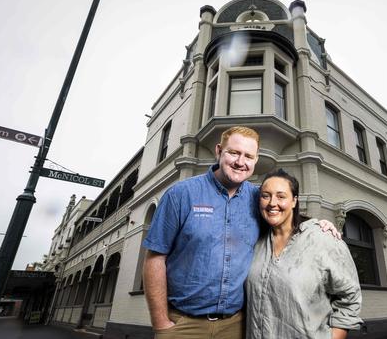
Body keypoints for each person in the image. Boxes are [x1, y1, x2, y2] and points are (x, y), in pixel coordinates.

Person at [143, 126, 338, 339]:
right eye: (234, 153)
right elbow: (155, 258)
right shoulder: (180, 195)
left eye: (248, 156)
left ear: (255, 160)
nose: (240, 162)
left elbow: (287, 222)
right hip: (183, 324)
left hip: (237, 326)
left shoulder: (259, 199)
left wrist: (318, 224)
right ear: (219, 151)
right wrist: (161, 322)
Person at [246, 169, 362, 339]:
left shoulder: (322, 239)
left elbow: (350, 297)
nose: (272, 203)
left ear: (294, 201)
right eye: (266, 195)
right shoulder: (256, 243)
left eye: (281, 196)